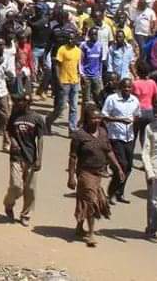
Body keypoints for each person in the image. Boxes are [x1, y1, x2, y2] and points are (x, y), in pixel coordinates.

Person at [68, 106, 124, 247]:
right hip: (84, 172)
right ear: (86, 119)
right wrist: (71, 176)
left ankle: (79, 226)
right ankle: (91, 233)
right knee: (92, 201)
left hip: (98, 173)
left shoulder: (103, 132)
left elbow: (109, 151)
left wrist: (118, 168)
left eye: (99, 118)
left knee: (83, 200)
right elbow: (73, 157)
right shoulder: (79, 135)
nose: (96, 120)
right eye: (93, 118)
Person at [4, 93, 45, 226]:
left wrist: (39, 158)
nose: (18, 103)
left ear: (27, 103)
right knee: (16, 186)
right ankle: (9, 204)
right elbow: (8, 131)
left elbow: (40, 139)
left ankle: (25, 214)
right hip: (16, 156)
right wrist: (13, 141)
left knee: (30, 189)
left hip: (31, 157)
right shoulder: (14, 116)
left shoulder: (37, 118)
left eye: (21, 101)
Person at [101, 78, 140, 204]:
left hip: (129, 138)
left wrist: (135, 126)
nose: (127, 90)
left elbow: (137, 115)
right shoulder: (112, 99)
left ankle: (120, 192)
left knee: (128, 167)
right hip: (115, 137)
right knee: (121, 165)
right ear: (120, 87)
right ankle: (110, 193)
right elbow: (103, 116)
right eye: (124, 87)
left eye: (129, 88)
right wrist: (119, 120)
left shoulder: (134, 100)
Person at [49, 34, 82, 133]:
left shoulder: (78, 51)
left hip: (75, 82)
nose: (71, 40)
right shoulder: (62, 49)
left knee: (74, 107)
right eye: (69, 38)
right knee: (61, 106)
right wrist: (58, 80)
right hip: (64, 82)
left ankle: (72, 129)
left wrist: (80, 76)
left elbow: (78, 66)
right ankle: (49, 120)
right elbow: (57, 66)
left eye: (73, 38)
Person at [132, 72, 157, 150]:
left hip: (138, 111)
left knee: (134, 133)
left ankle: (130, 154)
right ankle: (145, 154)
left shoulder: (135, 83)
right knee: (145, 134)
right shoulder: (152, 83)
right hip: (149, 111)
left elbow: (133, 99)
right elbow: (155, 97)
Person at [142, 112, 157, 239]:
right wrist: (149, 172)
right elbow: (145, 153)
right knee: (153, 203)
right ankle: (151, 228)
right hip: (154, 170)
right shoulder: (150, 128)